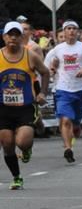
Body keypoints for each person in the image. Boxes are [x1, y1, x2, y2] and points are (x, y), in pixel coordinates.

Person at [1, 21, 50, 189]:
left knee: (22, 142)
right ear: (4, 37)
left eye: (16, 34)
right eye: (10, 34)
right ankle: (17, 177)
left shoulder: (30, 56)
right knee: (7, 144)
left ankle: (27, 148)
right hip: (3, 108)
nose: (13, 38)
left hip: (25, 107)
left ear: (22, 37)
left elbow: (45, 72)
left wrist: (43, 92)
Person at [44, 20, 82, 164]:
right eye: (68, 28)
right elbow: (51, 64)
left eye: (74, 28)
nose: (71, 31)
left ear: (78, 32)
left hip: (80, 90)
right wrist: (53, 70)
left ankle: (76, 126)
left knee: (75, 124)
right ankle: (68, 148)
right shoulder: (58, 49)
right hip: (63, 89)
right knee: (65, 119)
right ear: (64, 31)